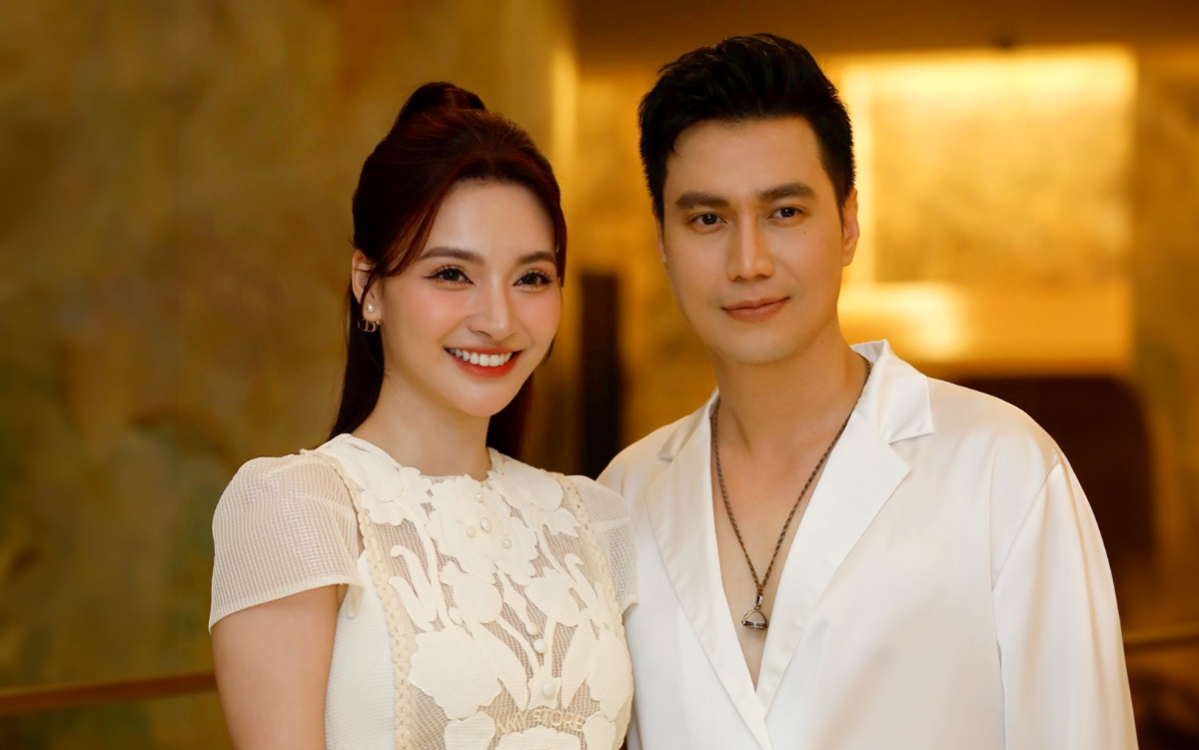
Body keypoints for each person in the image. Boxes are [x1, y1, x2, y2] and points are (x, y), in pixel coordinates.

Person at [599, 34, 1136, 750]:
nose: (748, 261)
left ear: (848, 224)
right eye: (707, 219)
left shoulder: (1002, 471)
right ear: (663, 243)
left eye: (784, 212)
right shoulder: (621, 499)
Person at [209, 82, 635, 750]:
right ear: (369, 287)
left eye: (531, 278)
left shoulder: (598, 522)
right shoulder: (298, 509)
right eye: (451, 275)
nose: (498, 320)